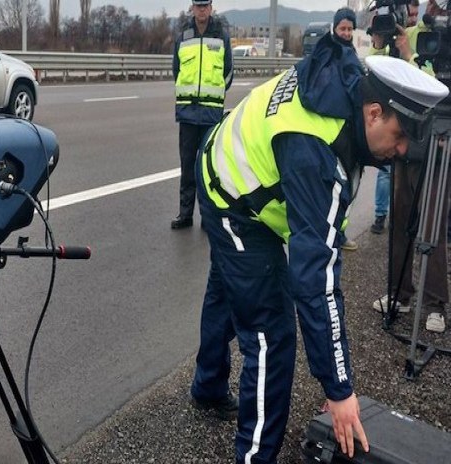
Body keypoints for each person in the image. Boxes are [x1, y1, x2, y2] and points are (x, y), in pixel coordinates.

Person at [189, 27, 448, 464]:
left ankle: (207, 386)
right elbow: (316, 280)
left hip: (235, 166)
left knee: (231, 289)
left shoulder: (345, 80)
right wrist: (339, 387)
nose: (401, 152)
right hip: (231, 195)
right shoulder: (317, 148)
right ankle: (254, 456)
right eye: (400, 137)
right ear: (373, 112)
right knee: (271, 335)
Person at [370, 0, 450, 333]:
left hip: (436, 140)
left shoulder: (438, 39)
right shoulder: (410, 34)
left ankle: (435, 305)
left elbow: (435, 91)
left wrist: (409, 56)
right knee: (401, 221)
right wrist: (382, 44)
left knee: (432, 223)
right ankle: (399, 293)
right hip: (405, 140)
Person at [171, 0, 233, 229]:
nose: (202, 10)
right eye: (198, 6)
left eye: (205, 6)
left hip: (210, 115)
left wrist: (215, 98)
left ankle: (208, 218)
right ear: (192, 8)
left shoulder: (221, 36)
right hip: (187, 113)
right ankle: (185, 215)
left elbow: (228, 73)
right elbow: (176, 70)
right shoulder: (183, 36)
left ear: (211, 7)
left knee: (209, 171)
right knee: (187, 168)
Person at [369, 0, 420, 235]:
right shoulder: (385, 41)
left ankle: (414, 220)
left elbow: (426, 80)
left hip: (415, 126)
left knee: (412, 178)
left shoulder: (415, 35)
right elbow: (372, 73)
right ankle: (380, 215)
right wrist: (378, 44)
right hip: (389, 114)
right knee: (385, 171)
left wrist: (408, 53)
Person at [332, 7, 360, 251]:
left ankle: (339, 232)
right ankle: (334, 233)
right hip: (334, 130)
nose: (347, 33)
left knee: (347, 184)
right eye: (343, 28)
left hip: (348, 128)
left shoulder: (351, 52)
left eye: (350, 29)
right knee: (339, 183)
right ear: (334, 29)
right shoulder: (331, 54)